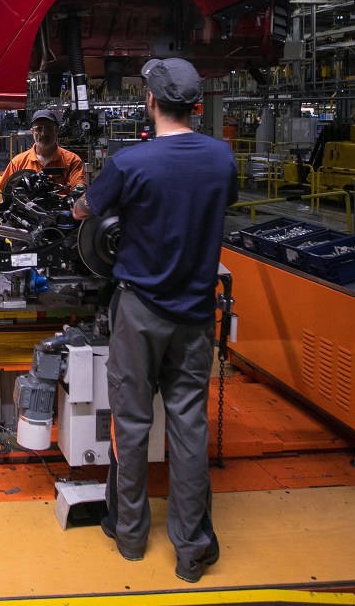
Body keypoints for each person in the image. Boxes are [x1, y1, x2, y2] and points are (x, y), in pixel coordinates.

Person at [70, 59, 236, 584]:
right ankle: (191, 551)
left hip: (139, 311)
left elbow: (84, 212)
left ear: (150, 102)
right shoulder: (221, 158)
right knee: (189, 429)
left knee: (132, 424)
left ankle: (131, 537)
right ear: (197, 106)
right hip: (194, 312)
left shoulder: (130, 162)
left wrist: (88, 201)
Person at [0, 108, 85, 197]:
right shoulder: (18, 162)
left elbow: (78, 194)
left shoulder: (72, 160)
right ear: (32, 132)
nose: (43, 133)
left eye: (49, 128)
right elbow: (4, 194)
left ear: (57, 131)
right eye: (39, 129)